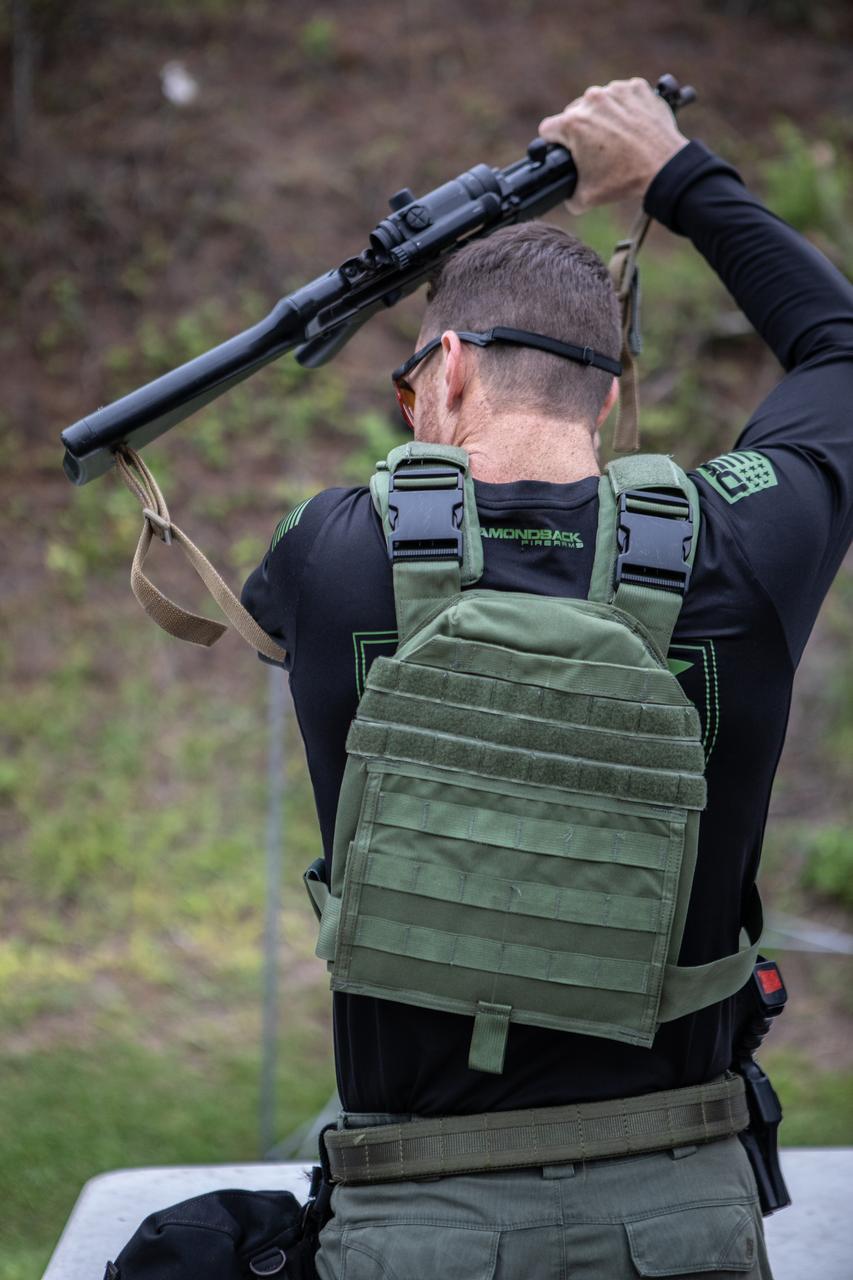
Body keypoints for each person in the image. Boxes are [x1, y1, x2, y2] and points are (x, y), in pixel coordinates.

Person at [241, 78, 852, 1279]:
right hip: (682, 1211)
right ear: (611, 393)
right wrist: (675, 173)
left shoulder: (329, 549)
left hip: (414, 1223)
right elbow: (839, 347)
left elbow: (261, 619)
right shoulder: (742, 551)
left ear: (447, 371)